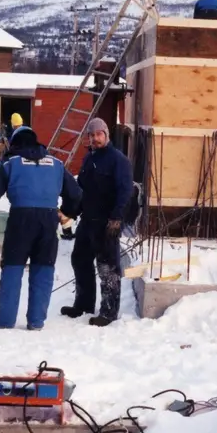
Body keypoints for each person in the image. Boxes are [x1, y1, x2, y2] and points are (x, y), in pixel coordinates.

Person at [0, 125, 82, 330]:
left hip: (20, 219)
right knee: (44, 267)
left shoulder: (11, 162)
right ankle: (36, 321)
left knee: (13, 268)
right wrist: (64, 212)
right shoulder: (57, 164)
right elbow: (76, 194)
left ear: (14, 143)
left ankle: (6, 320)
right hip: (49, 220)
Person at [63, 117, 133, 326]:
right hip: (88, 220)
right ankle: (83, 304)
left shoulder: (118, 160)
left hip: (107, 221)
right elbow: (82, 189)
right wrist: (72, 212)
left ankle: (109, 312)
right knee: (80, 259)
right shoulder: (88, 159)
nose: (94, 139)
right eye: (91, 135)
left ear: (106, 134)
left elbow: (125, 191)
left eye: (98, 135)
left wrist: (117, 218)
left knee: (107, 267)